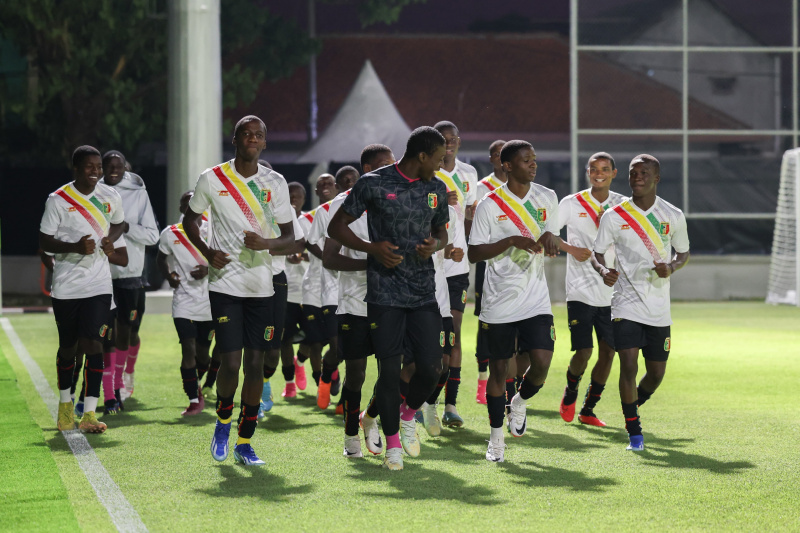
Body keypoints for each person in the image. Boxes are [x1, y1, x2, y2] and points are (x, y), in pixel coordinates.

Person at [328, 126, 449, 470]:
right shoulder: (373, 184)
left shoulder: (436, 189)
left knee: (431, 367)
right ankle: (392, 447)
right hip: (384, 292)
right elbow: (336, 228)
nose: (441, 166)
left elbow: (442, 231)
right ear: (422, 156)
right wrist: (371, 249)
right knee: (389, 370)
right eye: (438, 159)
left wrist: (435, 244)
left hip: (423, 291)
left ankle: (409, 414)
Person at [183, 115, 295, 466]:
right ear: (234, 140)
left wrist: (265, 242)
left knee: (256, 364)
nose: (252, 138)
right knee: (230, 361)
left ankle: (245, 442)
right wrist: (206, 251)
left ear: (264, 143)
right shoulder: (211, 178)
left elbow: (290, 238)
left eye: (258, 135)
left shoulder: (274, 182)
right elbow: (190, 219)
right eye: (245, 133)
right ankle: (222, 423)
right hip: (226, 284)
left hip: (262, 286)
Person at [467, 140, 560, 462]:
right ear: (507, 166)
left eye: (534, 159)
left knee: (543, 363)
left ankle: (518, 402)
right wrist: (509, 241)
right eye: (525, 160)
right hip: (499, 301)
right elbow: (475, 252)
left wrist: (553, 241)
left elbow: (552, 238)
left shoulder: (547, 198)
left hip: (536, 297)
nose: (533, 165)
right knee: (497, 372)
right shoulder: (490, 204)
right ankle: (495, 440)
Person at [592, 154, 690, 451]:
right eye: (634, 173)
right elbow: (597, 254)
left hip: (659, 308)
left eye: (644, 173)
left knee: (657, 374)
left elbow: (683, 253)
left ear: (656, 178)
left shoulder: (672, 215)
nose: (638, 178)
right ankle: (635, 432)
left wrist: (671, 267)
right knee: (629, 365)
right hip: (625, 304)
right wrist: (604, 270)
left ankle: (631, 405)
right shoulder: (614, 216)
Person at [40, 145, 126, 433]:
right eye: (90, 167)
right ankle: (65, 405)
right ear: (76, 168)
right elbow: (45, 241)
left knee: (94, 344)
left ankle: (89, 413)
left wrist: (110, 240)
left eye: (98, 167)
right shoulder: (58, 199)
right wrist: (74, 247)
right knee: (69, 348)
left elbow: (119, 224)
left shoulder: (110, 196)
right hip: (66, 286)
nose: (96, 172)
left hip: (99, 284)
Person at [323, 145, 396, 457]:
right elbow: (329, 258)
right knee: (357, 374)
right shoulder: (343, 205)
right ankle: (351, 434)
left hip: (393, 301)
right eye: (383, 166)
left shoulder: (400, 199)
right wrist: (371, 262)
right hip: (355, 302)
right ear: (367, 169)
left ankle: (370, 417)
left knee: (394, 372)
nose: (391, 172)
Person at [557, 152, 627, 427]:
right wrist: (570, 248)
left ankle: (588, 409)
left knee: (609, 351)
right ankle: (571, 391)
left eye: (605, 169)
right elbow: (548, 232)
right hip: (580, 289)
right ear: (587, 172)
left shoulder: (623, 204)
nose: (599, 173)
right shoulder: (571, 203)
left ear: (614, 173)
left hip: (613, 291)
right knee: (584, 351)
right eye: (594, 169)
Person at [100, 151, 160, 402]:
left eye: (119, 166)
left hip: (131, 273)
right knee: (104, 332)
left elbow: (153, 236)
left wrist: (126, 227)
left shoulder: (138, 192)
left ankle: (124, 376)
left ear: (125, 168)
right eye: (109, 166)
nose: (114, 171)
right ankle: (108, 384)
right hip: (100, 272)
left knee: (127, 330)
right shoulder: (94, 190)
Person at [433, 121, 479, 428]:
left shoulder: (469, 174)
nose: (448, 144)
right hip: (429, 266)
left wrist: (465, 246)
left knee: (453, 336)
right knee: (431, 339)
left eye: (452, 140)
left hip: (458, 269)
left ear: (458, 142)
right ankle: (425, 401)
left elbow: (468, 217)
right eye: (443, 140)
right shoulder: (426, 172)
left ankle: (450, 404)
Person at [157, 191, 216, 416]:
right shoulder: (170, 234)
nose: (192, 206)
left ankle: (200, 383)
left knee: (203, 353)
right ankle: (194, 399)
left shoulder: (214, 230)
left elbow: (230, 260)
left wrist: (208, 270)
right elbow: (160, 258)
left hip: (210, 302)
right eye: (187, 203)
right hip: (183, 301)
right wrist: (169, 276)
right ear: (182, 209)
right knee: (188, 349)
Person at [314, 166, 360, 410]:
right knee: (337, 347)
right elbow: (315, 245)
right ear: (338, 186)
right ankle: (326, 374)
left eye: (354, 179)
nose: (350, 183)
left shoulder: (370, 203)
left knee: (354, 351)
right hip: (332, 289)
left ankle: (345, 400)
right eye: (345, 181)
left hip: (361, 290)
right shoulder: (325, 212)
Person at [295, 174, 339, 395]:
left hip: (338, 287)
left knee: (334, 339)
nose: (324, 187)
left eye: (328, 183)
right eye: (320, 185)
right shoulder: (306, 220)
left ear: (336, 187)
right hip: (312, 287)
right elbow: (305, 244)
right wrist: (328, 257)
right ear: (315, 191)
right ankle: (320, 382)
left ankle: (331, 374)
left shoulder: (346, 215)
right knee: (315, 342)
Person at [473, 139, 507, 405]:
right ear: (492, 159)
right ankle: (482, 378)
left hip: (518, 263)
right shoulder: (482, 188)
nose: (500, 158)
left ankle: (508, 382)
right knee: (485, 320)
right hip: (489, 262)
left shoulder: (527, 188)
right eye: (496, 154)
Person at [278, 182, 313, 401]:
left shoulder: (311, 220)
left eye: (297, 196)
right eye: (289, 195)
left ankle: (300, 362)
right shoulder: (279, 220)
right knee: (285, 340)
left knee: (315, 337)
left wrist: (305, 255)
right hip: (287, 290)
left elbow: (321, 249)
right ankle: (289, 383)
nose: (293, 199)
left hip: (310, 290)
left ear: (304, 199)